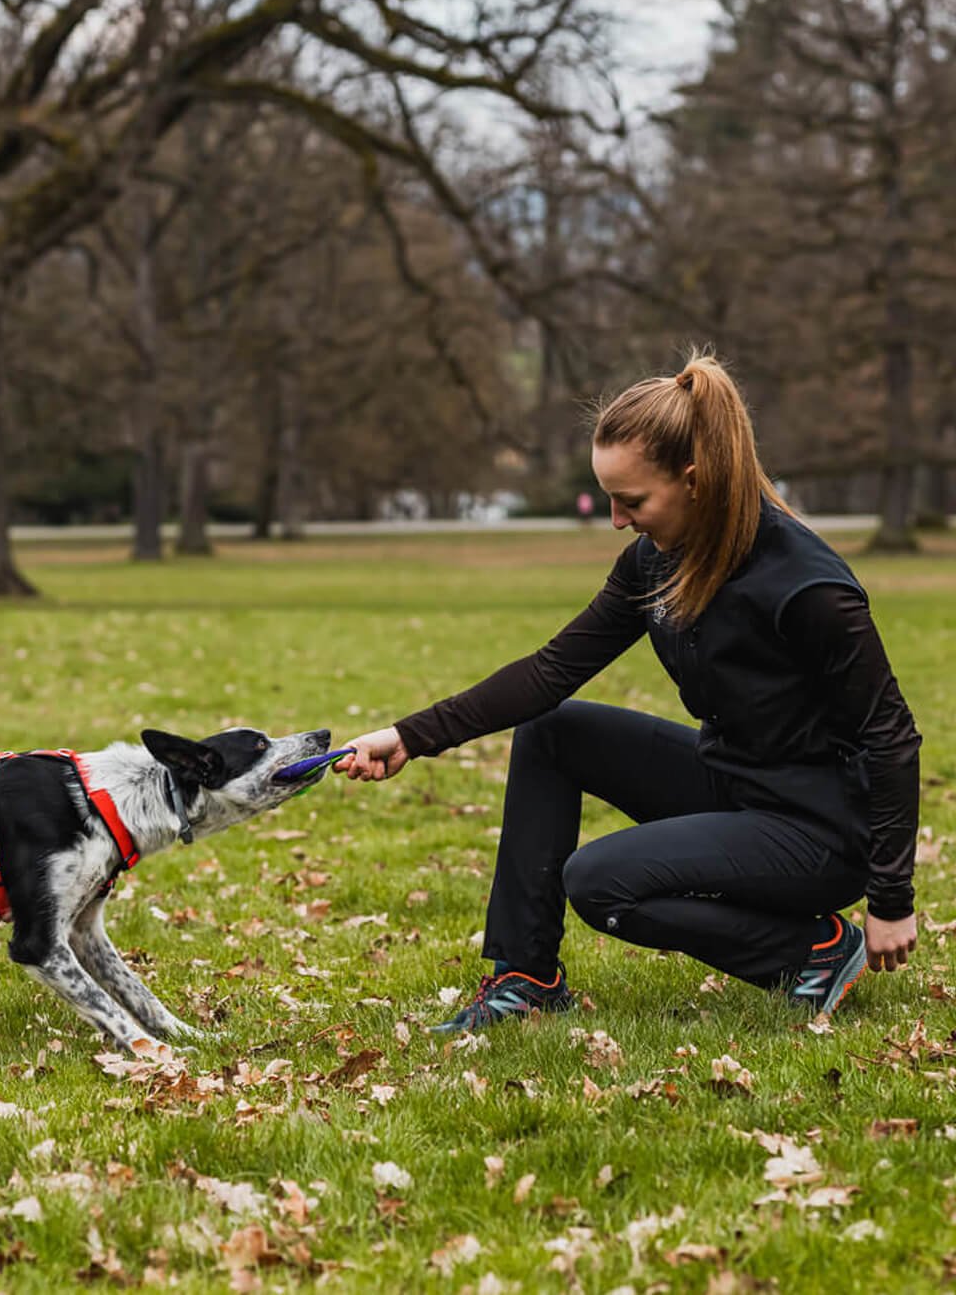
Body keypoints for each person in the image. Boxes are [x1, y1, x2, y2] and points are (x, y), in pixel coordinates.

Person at [334, 353, 920, 1033]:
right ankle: (523, 977)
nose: (617, 518)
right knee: (555, 731)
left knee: (598, 879)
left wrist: (891, 896)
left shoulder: (808, 586)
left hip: (821, 831)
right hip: (738, 783)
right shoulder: (655, 560)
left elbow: (892, 736)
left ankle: (812, 951)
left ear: (694, 481)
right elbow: (552, 670)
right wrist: (410, 735)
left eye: (633, 501)